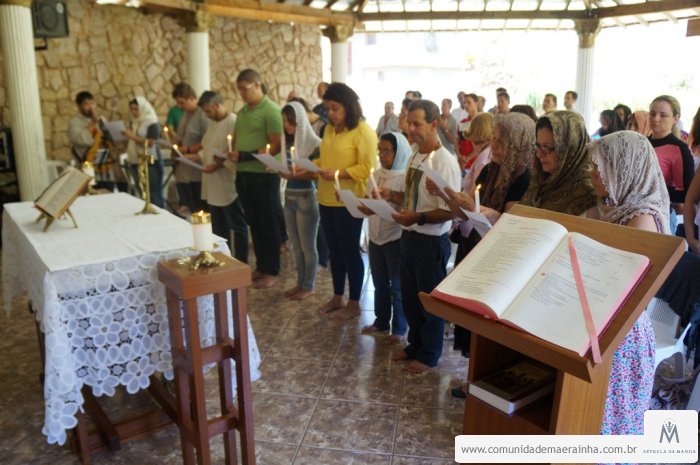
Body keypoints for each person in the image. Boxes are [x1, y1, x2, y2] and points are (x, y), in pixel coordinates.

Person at [434, 112, 535, 396]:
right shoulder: (491, 169)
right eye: (494, 139)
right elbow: (471, 205)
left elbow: (512, 222)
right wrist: (449, 197)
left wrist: (475, 209)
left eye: (502, 141)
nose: (495, 146)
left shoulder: (525, 178)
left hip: (502, 258)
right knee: (475, 319)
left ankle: (485, 386)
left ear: (518, 144)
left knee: (491, 325)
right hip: (476, 247)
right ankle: (474, 379)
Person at [588, 130, 669, 435]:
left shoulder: (642, 220)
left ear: (624, 170)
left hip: (622, 335)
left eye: (600, 168)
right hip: (605, 323)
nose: (593, 175)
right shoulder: (620, 210)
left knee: (608, 425)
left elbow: (621, 285)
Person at [381, 99, 461, 374]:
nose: (411, 129)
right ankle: (415, 344)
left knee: (429, 303)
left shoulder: (445, 162)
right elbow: (412, 197)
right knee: (410, 299)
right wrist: (391, 196)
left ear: (434, 124)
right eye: (409, 123)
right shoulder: (415, 155)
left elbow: (451, 211)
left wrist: (419, 218)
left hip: (430, 242)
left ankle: (429, 354)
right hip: (410, 237)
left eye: (417, 124)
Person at [314, 82, 378, 319]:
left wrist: (339, 174)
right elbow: (326, 159)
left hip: (349, 200)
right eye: (327, 109)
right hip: (326, 197)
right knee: (334, 251)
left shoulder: (363, 132)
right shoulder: (329, 130)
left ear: (348, 107)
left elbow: (367, 168)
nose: (330, 114)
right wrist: (310, 166)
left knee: (349, 251)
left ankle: (353, 302)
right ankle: (337, 295)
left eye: (335, 108)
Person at [228, 69, 284, 289]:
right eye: (239, 89)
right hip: (244, 173)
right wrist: (234, 153)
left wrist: (244, 155)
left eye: (245, 88)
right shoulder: (242, 112)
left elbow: (276, 145)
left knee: (268, 223)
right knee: (254, 222)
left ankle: (273, 270)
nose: (242, 93)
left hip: (264, 175)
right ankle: (261, 266)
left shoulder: (271, 110)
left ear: (257, 85)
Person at [358, 132, 411, 342]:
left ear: (398, 153)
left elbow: (406, 205)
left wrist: (390, 199)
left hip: (394, 236)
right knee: (379, 283)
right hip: (375, 236)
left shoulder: (405, 177)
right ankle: (381, 320)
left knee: (397, 286)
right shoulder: (377, 174)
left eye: (387, 151)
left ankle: (399, 328)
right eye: (379, 150)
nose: (381, 155)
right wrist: (355, 202)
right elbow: (366, 202)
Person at [197, 91, 248, 263]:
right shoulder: (212, 123)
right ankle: (223, 258)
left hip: (227, 181)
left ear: (217, 105)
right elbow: (206, 146)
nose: (206, 115)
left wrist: (217, 164)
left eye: (208, 111)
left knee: (237, 224)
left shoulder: (232, 121)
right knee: (218, 226)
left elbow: (232, 151)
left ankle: (240, 261)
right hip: (212, 182)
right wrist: (193, 157)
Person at [278, 101, 322, 300]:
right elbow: (287, 169)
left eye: (291, 122)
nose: (287, 126)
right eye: (285, 122)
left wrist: (295, 174)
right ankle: (300, 283)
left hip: (306, 197)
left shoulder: (314, 143)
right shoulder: (286, 143)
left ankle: (309, 285)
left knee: (307, 247)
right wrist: (280, 170)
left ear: (301, 121)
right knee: (296, 247)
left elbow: (316, 174)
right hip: (289, 197)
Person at [521, 111, 598, 216]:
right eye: (538, 146)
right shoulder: (542, 180)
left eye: (547, 147)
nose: (539, 154)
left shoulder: (587, 194)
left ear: (571, 149)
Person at [648, 95, 694, 234]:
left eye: (663, 115)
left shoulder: (679, 148)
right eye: (652, 114)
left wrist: (650, 190)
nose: (656, 119)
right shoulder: (640, 143)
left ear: (675, 118)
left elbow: (685, 192)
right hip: (633, 210)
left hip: (661, 215)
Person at [171, 82, 207, 215]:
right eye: (178, 103)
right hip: (186, 169)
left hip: (199, 168)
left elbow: (207, 140)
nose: (180, 106)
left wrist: (189, 149)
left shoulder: (203, 115)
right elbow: (181, 135)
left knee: (202, 209)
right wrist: (176, 143)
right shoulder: (185, 115)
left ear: (192, 98)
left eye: (182, 103)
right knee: (192, 208)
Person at [121, 97, 164, 208]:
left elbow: (151, 142)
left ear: (143, 108)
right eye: (131, 109)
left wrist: (131, 136)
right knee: (142, 193)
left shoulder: (151, 121)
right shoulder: (133, 121)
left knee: (154, 194)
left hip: (151, 161)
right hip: (135, 160)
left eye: (136, 109)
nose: (133, 112)